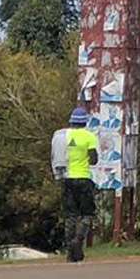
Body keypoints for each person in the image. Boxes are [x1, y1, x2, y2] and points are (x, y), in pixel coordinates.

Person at [59, 106, 99, 263]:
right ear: (85, 122)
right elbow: (94, 159)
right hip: (84, 178)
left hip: (68, 178)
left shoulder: (64, 136)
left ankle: (70, 251)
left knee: (70, 216)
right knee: (87, 214)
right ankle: (78, 240)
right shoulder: (90, 137)